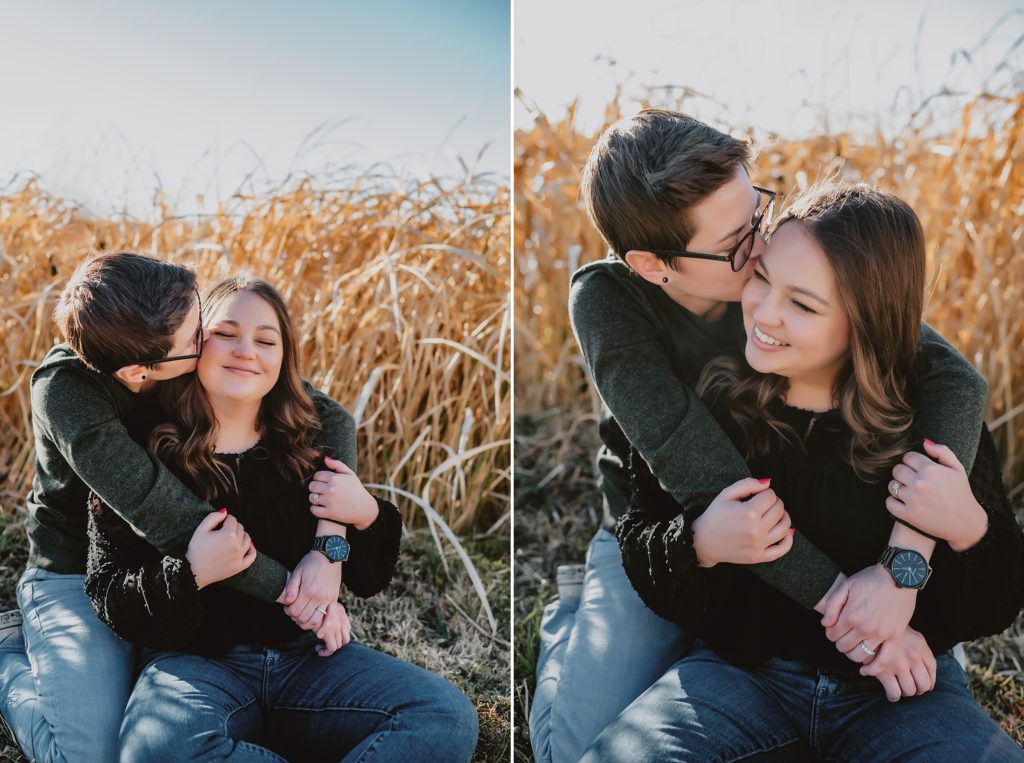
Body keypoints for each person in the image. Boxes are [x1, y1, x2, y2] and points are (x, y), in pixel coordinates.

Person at [530, 109, 990, 763]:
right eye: (737, 243)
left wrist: (899, 571)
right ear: (654, 265)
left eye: (759, 215)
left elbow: (953, 377)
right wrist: (855, 616)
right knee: (572, 746)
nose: (761, 250)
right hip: (683, 527)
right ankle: (573, 609)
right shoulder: (610, 302)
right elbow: (710, 481)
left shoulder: (779, 260)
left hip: (799, 523)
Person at [0, 252, 376, 761]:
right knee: (89, 755)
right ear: (142, 372)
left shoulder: (164, 328)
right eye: (198, 338)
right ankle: (7, 661)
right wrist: (298, 595)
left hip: (159, 574)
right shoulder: (66, 392)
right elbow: (165, 513)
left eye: (200, 318)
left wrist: (329, 548)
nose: (211, 342)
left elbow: (328, 413)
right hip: (72, 572)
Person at [84, 276, 478, 760]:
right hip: (196, 666)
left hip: (307, 662)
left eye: (266, 340)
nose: (246, 350)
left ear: (283, 359)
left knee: (445, 717)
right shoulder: (144, 456)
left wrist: (366, 513)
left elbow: (368, 578)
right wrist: (189, 575)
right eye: (225, 333)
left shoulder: (307, 449)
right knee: (159, 749)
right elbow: (108, 589)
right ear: (192, 347)